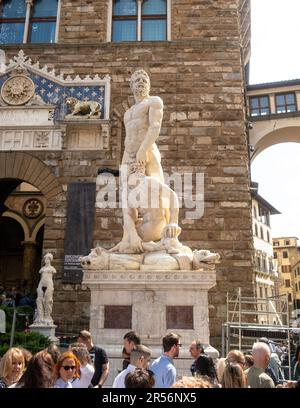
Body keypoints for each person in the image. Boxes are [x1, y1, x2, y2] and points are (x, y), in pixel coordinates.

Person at [111, 69, 181, 254]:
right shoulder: (127, 113)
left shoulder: (154, 102)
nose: (141, 82)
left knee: (158, 190)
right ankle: (130, 235)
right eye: (137, 80)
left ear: (149, 84)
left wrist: (143, 150)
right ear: (131, 85)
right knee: (126, 196)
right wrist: (127, 158)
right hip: (129, 155)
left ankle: (168, 231)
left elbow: (155, 127)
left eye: (144, 79)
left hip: (148, 151)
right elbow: (128, 138)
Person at [34, 253, 56, 325]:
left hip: (49, 284)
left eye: (48, 259)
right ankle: (40, 317)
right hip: (41, 284)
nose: (46, 260)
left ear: (50, 260)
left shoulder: (52, 269)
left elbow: (54, 272)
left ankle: (47, 316)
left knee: (48, 300)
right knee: (39, 300)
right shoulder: (42, 269)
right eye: (46, 259)